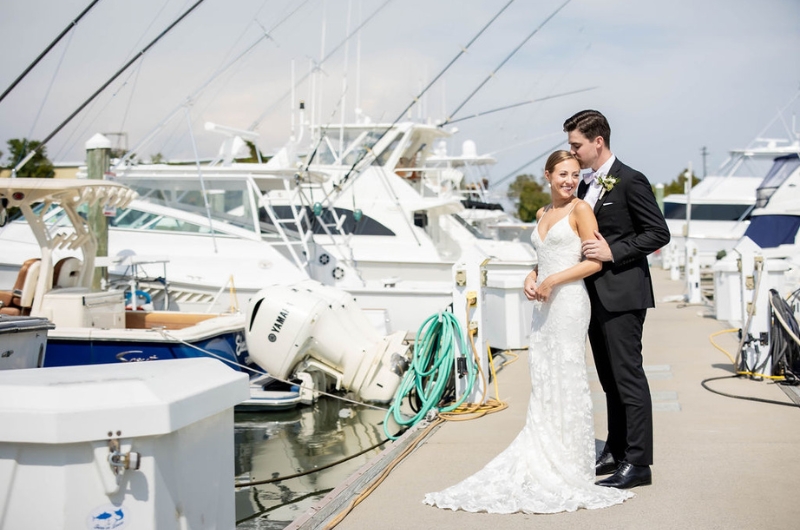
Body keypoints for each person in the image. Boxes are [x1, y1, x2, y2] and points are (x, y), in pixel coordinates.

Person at [423, 150, 633, 514]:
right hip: (543, 305)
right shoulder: (542, 214)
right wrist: (533, 275)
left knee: (566, 374)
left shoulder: (581, 210)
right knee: (545, 374)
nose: (569, 180)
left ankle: (569, 460)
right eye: (562, 174)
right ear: (547, 175)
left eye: (574, 174)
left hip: (568, 302)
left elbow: (593, 260)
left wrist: (553, 279)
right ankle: (543, 449)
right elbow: (544, 256)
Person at [562, 109, 670, 489]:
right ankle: (616, 449)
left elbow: (658, 233)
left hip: (623, 293)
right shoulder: (585, 185)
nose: (571, 152)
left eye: (575, 145)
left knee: (629, 378)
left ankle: (639, 463)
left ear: (598, 142)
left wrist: (615, 252)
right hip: (592, 296)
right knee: (609, 380)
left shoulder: (630, 180)